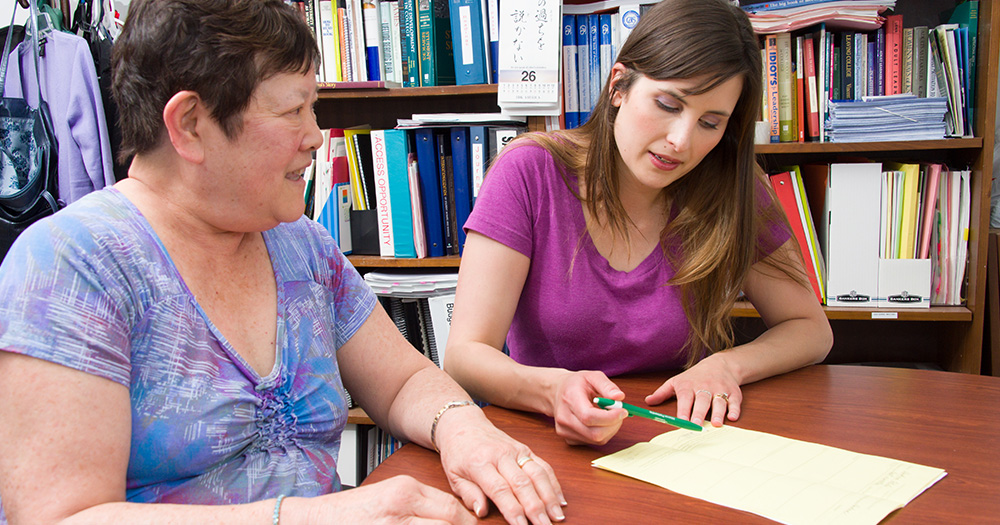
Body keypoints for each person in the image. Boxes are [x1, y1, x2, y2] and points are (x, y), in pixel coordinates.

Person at [0, 1, 566, 524]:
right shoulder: (71, 267)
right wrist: (314, 517)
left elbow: (403, 382)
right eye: (294, 111)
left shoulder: (301, 244)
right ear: (190, 124)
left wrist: (464, 428)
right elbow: (62, 517)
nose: (316, 137)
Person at [444, 0, 833, 447]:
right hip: (549, 436)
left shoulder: (734, 187)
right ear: (619, 85)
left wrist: (728, 365)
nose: (681, 141)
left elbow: (810, 329)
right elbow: (465, 355)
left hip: (683, 441)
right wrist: (552, 392)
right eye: (668, 104)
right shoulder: (529, 172)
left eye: (710, 123)